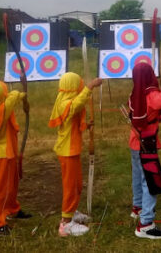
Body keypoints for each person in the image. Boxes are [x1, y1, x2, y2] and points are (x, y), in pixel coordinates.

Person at [48, 72, 103, 237]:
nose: (80, 86)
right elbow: (74, 107)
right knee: (71, 186)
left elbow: (72, 120)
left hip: (72, 150)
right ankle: (65, 224)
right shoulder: (65, 102)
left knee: (77, 184)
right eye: (78, 84)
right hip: (67, 151)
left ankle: (72, 211)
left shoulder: (67, 99)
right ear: (72, 86)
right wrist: (90, 87)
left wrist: (85, 125)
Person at [128, 62, 161, 239]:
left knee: (138, 177)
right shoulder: (150, 93)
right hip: (146, 143)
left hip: (135, 142)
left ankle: (137, 207)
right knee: (150, 181)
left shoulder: (135, 92)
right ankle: (145, 224)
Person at [0, 80, 31, 236]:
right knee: (1, 189)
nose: (6, 93)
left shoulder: (0, 106)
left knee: (12, 184)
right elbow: (10, 101)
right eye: (3, 92)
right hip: (2, 155)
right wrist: (18, 94)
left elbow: (11, 99)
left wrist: (24, 95)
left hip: (10, 152)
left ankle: (12, 209)